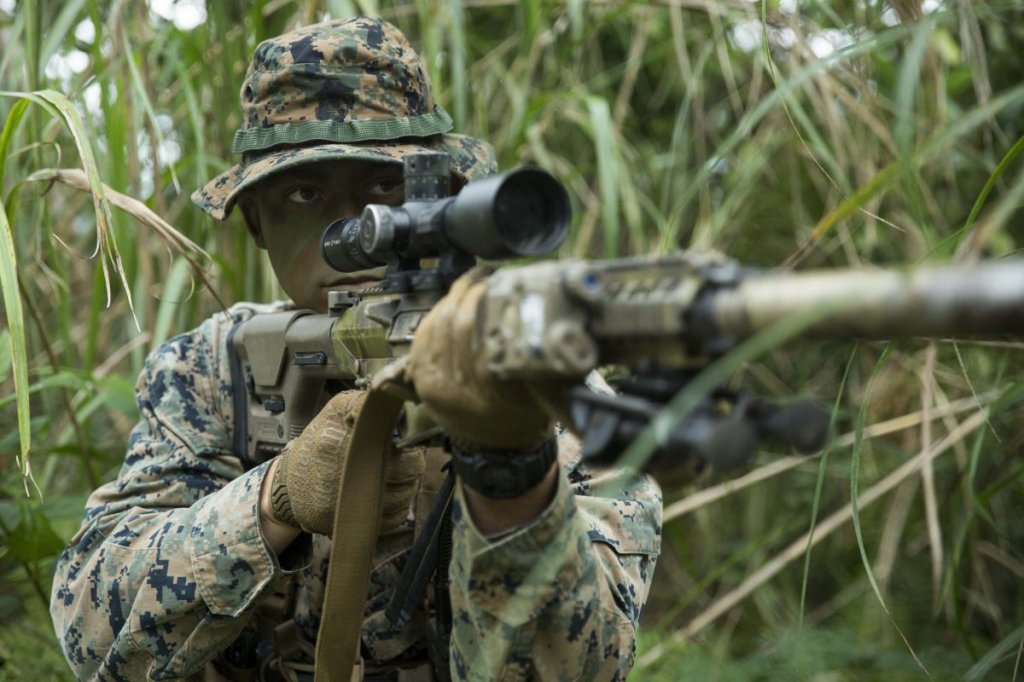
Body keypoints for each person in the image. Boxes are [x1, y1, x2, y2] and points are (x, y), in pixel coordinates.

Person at [50, 16, 662, 681]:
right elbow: (93, 636)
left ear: (449, 199)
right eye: (305, 193)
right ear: (256, 222)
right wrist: (270, 502)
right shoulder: (211, 372)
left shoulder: (549, 385)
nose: (354, 229)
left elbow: (585, 670)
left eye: (384, 187)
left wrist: (515, 472)